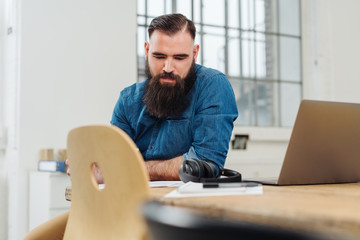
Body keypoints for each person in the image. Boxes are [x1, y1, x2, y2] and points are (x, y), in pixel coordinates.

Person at [23, 13, 238, 240]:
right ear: (146, 50)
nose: (168, 67)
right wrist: (88, 168)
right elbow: (107, 164)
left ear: (194, 54)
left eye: (180, 58)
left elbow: (205, 163)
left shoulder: (213, 86)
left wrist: (129, 170)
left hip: (179, 218)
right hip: (120, 208)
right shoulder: (128, 100)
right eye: (159, 56)